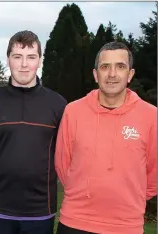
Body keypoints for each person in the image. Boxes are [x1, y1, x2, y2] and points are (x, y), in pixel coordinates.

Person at [55, 42, 157, 234]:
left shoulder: (151, 116)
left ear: (130, 74)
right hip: (75, 222)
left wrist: (128, 198)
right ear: (96, 75)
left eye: (120, 66)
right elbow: (62, 165)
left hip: (126, 226)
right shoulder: (73, 112)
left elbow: (154, 173)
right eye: (105, 67)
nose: (112, 74)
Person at [0, 30, 67, 234]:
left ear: (40, 61)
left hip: (41, 209)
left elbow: (65, 151)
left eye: (31, 57)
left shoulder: (58, 105)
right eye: (17, 57)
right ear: (8, 60)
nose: (24, 64)